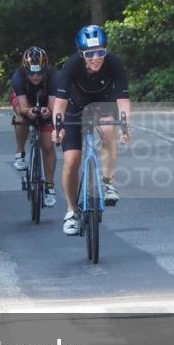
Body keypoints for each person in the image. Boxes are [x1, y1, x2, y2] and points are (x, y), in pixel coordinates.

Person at [52, 25, 131, 236]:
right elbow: (59, 105)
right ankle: (71, 211)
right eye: (90, 54)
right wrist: (58, 128)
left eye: (100, 53)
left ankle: (107, 184)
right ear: (81, 54)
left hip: (103, 107)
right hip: (75, 111)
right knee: (71, 161)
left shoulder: (114, 64)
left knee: (108, 130)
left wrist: (125, 125)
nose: (95, 58)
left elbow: (122, 101)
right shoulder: (72, 66)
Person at [11, 46, 58, 207]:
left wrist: (48, 112)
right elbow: (23, 106)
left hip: (46, 102)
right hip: (26, 102)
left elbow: (53, 107)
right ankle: (20, 151)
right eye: (31, 73)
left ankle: (50, 186)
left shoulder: (53, 77)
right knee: (21, 118)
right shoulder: (18, 77)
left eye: (39, 72)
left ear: (46, 69)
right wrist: (28, 111)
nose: (36, 76)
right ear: (25, 70)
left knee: (48, 146)